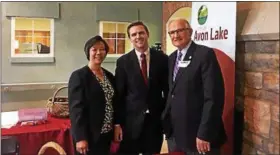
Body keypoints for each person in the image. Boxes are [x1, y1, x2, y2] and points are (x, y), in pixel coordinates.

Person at [161, 18, 227, 155]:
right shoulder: (172, 58)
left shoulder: (204, 55)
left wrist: (205, 133)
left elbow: (213, 97)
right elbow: (173, 92)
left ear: (190, 32)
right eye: (171, 32)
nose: (175, 35)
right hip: (175, 134)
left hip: (198, 136)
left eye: (179, 31)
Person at [114, 21, 169, 155]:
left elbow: (168, 91)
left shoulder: (162, 59)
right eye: (134, 34)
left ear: (147, 34)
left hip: (154, 123)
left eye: (141, 33)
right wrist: (117, 124)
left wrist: (165, 118)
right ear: (130, 39)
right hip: (131, 124)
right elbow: (119, 95)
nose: (138, 36)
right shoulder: (123, 62)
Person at [68, 35, 117, 155]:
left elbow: (115, 102)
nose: (98, 53)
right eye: (94, 49)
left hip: (107, 134)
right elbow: (76, 109)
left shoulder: (109, 76)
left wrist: (117, 125)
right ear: (88, 52)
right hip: (89, 136)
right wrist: (80, 138)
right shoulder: (79, 76)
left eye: (102, 49)